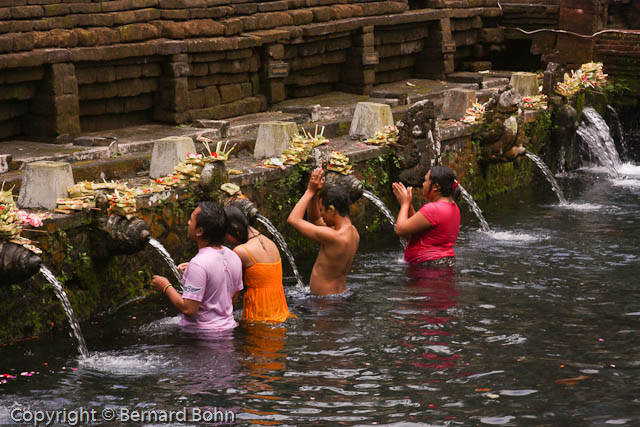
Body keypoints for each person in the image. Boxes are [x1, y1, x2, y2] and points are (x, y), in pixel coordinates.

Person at [151, 201, 243, 332]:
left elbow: (189, 309)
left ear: (199, 231)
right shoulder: (234, 257)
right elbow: (232, 300)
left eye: (191, 220)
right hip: (228, 329)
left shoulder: (199, 264)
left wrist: (165, 286)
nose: (188, 223)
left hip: (202, 337)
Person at [287, 167, 360, 296]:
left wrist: (309, 191)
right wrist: (316, 194)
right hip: (338, 295)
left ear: (331, 210)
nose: (321, 214)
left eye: (322, 210)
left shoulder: (334, 237)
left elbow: (293, 219)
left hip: (324, 302)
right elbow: (314, 219)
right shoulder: (352, 232)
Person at [224, 205, 295, 323]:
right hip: (280, 314)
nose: (226, 240)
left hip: (259, 317)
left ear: (235, 228)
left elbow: (233, 296)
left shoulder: (241, 251)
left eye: (225, 235)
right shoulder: (270, 243)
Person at [392, 165, 461, 267]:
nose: (423, 184)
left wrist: (404, 204)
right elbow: (418, 227)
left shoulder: (433, 209)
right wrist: (409, 205)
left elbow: (400, 230)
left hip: (426, 266)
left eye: (425, 181)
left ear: (436, 187)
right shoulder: (453, 206)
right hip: (443, 263)